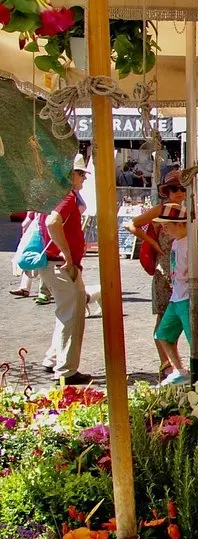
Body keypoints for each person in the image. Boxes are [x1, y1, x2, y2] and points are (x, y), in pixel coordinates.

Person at [126, 170, 190, 380]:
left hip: (182, 270)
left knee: (180, 318)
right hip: (165, 270)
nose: (179, 192)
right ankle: (167, 365)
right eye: (175, 188)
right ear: (167, 191)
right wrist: (152, 243)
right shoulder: (162, 210)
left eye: (182, 188)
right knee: (165, 318)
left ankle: (175, 364)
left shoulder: (186, 210)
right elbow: (132, 224)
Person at [39, 155, 91, 384]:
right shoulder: (67, 197)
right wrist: (68, 255)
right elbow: (52, 222)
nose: (83, 178)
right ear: (70, 175)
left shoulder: (53, 196)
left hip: (53, 265)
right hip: (61, 266)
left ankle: (53, 359)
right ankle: (66, 370)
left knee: (66, 313)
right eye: (81, 173)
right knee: (72, 316)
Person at [153, 203, 198, 386]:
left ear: (180, 224)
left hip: (189, 297)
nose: (164, 230)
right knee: (162, 335)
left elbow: (191, 272)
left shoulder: (190, 244)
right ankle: (179, 370)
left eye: (167, 226)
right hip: (176, 297)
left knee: (195, 339)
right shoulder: (176, 243)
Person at [10, 211, 52, 302]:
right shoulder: (38, 202)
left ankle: (44, 293)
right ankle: (24, 288)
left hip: (47, 234)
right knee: (30, 258)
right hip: (37, 233)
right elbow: (28, 219)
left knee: (44, 261)